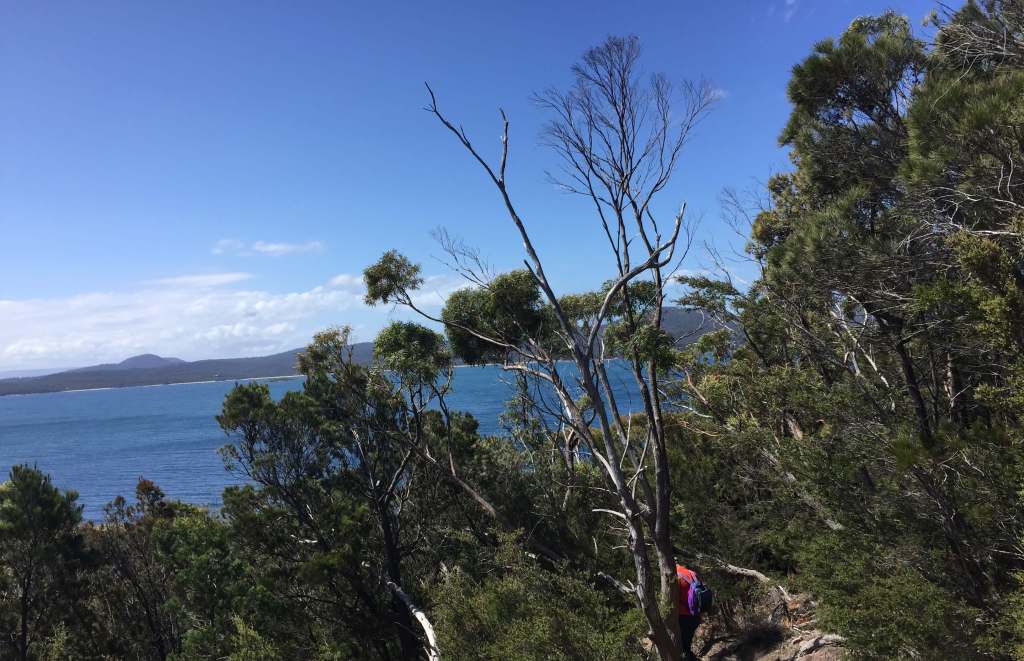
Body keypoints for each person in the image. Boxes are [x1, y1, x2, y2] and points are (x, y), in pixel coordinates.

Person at [676, 563, 701, 661]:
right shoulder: (692, 573)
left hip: (683, 616)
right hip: (695, 615)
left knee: (683, 647)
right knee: (687, 643)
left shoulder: (675, 576)